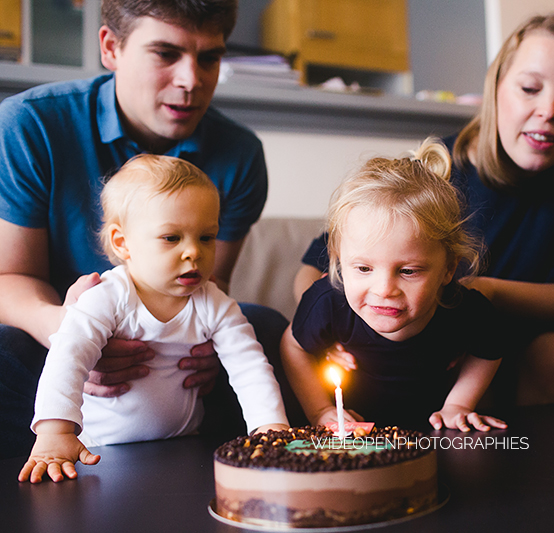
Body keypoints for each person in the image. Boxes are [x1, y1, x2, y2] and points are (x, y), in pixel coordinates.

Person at [0, 0, 288, 459]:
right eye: (165, 53)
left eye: (209, 58)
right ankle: (53, 451)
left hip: (176, 355)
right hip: (54, 342)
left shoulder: (240, 154)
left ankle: (237, 459)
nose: (191, 81)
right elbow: (8, 279)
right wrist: (70, 332)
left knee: (268, 328)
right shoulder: (29, 125)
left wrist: (205, 351)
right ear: (111, 47)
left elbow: (213, 283)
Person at [295, 13, 554, 406]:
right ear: (497, 88)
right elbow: (319, 268)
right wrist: (327, 331)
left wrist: (485, 291)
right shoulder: (439, 165)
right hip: (438, 344)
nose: (549, 110)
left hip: (533, 340)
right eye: (529, 88)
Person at [17, 155, 289, 484]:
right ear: (123, 243)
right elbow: (68, 357)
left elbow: (250, 366)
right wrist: (55, 432)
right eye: (171, 238)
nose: (194, 252)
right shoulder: (108, 297)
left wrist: (271, 428)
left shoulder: (213, 302)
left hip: (183, 445)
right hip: (100, 450)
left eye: (206, 237)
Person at [282, 138, 508, 432]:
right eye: (363, 268)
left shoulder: (463, 308)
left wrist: (459, 404)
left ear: (448, 268)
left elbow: (490, 346)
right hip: (356, 436)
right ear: (339, 262)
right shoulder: (328, 303)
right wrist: (321, 411)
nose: (384, 289)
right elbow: (292, 346)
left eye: (408, 271)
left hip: (428, 435)